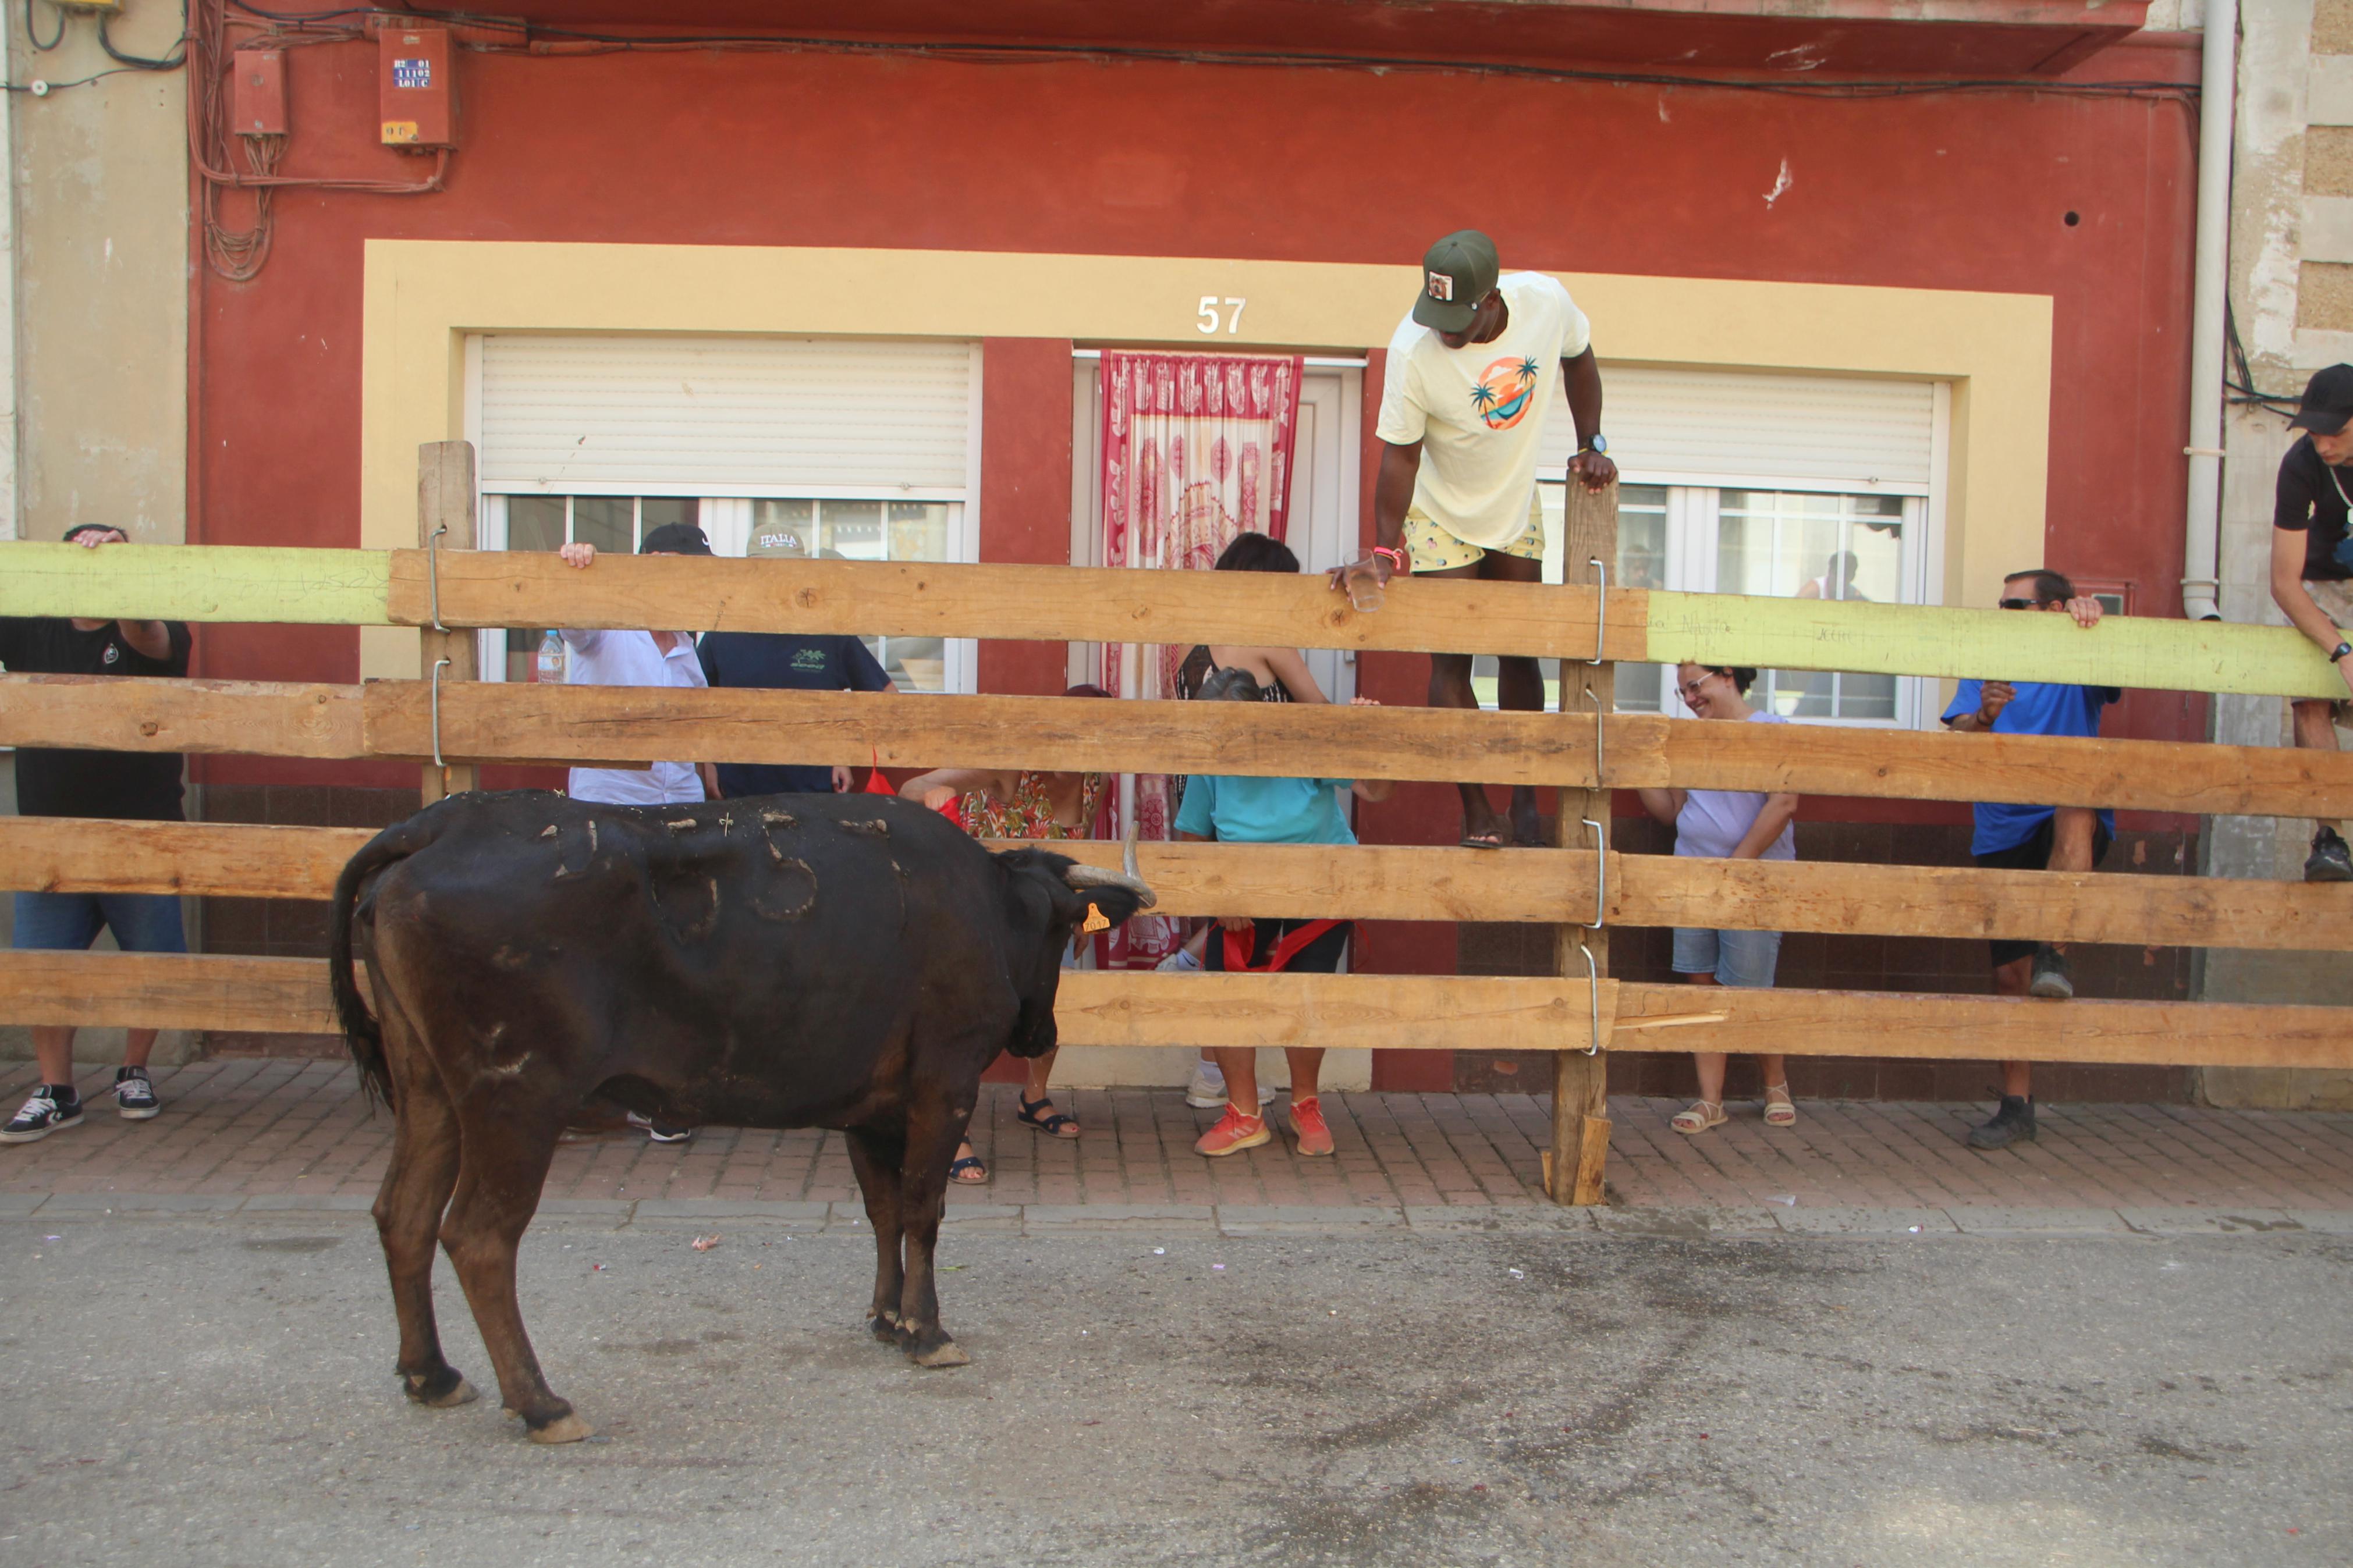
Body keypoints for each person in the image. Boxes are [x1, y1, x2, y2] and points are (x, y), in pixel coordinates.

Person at [1330, 228, 1614, 849]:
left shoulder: (1544, 302)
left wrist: (1590, 443)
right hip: (1437, 514)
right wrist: (1384, 548)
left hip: (1513, 502)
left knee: (1518, 652)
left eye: (1455, 321)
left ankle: (1525, 798)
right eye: (1434, 318)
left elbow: (1580, 358)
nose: (1442, 333)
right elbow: (1400, 457)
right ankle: (1478, 808)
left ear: (1490, 300)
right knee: (1451, 660)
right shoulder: (1412, 350)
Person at [1, 525, 192, 1143]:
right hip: (51, 839)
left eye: (112, 560)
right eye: (86, 559)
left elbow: (148, 635)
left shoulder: (150, 628)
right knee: (42, 971)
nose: (96, 569)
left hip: (141, 835)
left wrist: (120, 573)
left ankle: (134, 1071)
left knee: (153, 965)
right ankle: (57, 1089)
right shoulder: (32, 626)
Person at [900, 684, 1115, 1183]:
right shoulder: (1009, 768)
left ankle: (1033, 1098)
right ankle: (955, 1129)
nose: (1074, 746)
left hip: (1043, 915)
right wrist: (931, 794)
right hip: (980, 909)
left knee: (1044, 1005)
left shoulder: (1094, 779)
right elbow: (911, 788)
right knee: (970, 1018)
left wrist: (1093, 917)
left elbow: (1083, 853)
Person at [1179, 668, 1392, 1158]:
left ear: (1262, 715)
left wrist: (1370, 738)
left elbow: (1377, 792)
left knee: (1305, 995)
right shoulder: (1209, 762)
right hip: (1244, 894)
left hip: (1319, 885)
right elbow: (1191, 839)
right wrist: (1219, 898)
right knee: (1228, 994)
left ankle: (1305, 1106)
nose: (1228, 738)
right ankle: (1244, 1115)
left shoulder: (1303, 742)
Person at [556, 519, 721, 1143]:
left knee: (666, 951)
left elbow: (693, 734)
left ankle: (658, 1094)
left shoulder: (684, 646)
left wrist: (705, 785)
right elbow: (573, 619)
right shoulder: (608, 628)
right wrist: (580, 565)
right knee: (602, 950)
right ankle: (590, 1094)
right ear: (653, 562)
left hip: (673, 813)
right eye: (685, 570)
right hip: (611, 808)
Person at [1942, 569, 2109, 1151]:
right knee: (2007, 977)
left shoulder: (2080, 644)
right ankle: (2016, 1105)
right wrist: (1984, 715)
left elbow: (2116, 670)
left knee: (2074, 808)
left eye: (2015, 604)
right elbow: (1957, 737)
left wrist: (2093, 614)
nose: (2003, 611)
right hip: (2000, 826)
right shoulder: (1987, 659)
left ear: (2052, 608)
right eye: (2001, 603)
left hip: (2063, 817)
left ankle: (2055, 951)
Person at [1173, 531, 1341, 1110]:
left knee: (1227, 952)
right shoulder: (1267, 640)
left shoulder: (1194, 653)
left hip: (1210, 808)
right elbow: (1320, 717)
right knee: (1280, 959)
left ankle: (1213, 1074)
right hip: (1266, 813)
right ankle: (1271, 1093)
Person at [1637, 664, 1800, 1135]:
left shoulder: (1773, 730)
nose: (1689, 697)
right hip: (1692, 875)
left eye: (1696, 685)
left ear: (1728, 675)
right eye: (1682, 690)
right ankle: (1711, 1100)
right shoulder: (1689, 738)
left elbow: (1784, 803)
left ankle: (1775, 1084)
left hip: (1753, 881)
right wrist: (1634, 771)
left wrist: (1736, 866)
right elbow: (1671, 811)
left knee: (1750, 988)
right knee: (1701, 984)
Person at [2268, 363, 2353, 881]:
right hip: (2316, 586)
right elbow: (2283, 582)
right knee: (2309, 694)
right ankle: (2328, 836)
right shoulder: (2300, 464)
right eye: (2314, 432)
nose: (2322, 445)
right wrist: (2340, 651)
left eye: (2335, 433)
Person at [697, 630, 896, 800]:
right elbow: (691, 705)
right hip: (738, 800)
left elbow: (891, 705)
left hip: (815, 801)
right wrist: (708, 761)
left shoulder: (830, 635)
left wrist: (846, 750)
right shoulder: (722, 634)